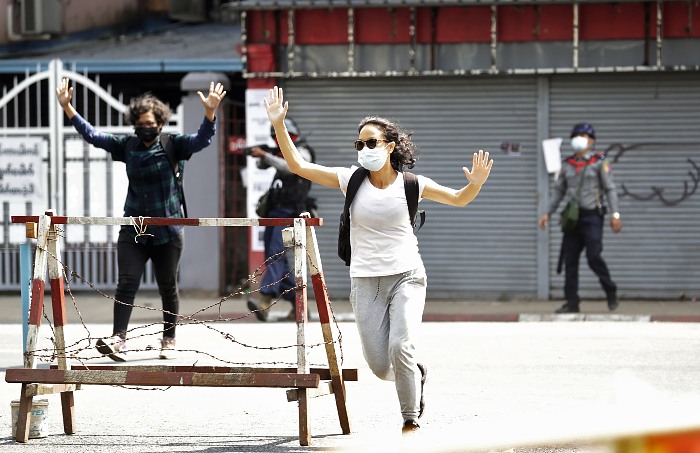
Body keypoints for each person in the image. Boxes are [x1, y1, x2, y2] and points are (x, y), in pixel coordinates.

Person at [262, 86, 493, 434]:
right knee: (382, 367)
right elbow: (298, 165)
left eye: (371, 142)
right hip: (365, 281)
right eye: (359, 144)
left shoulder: (412, 184)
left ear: (389, 145)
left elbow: (460, 198)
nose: (364, 149)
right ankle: (415, 373)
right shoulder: (350, 180)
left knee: (402, 346)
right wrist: (279, 124)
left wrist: (475, 184)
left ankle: (410, 419)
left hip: (407, 276)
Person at [55, 77, 226, 361]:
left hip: (168, 231)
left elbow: (202, 140)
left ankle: (169, 339)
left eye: (150, 122)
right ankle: (118, 340)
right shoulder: (128, 146)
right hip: (134, 229)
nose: (145, 127)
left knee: (167, 287)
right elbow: (94, 136)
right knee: (126, 282)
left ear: (160, 123)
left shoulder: (174, 144)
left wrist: (210, 113)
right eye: (140, 123)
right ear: (134, 124)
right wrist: (68, 108)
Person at [538, 122, 622, 314]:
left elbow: (610, 189)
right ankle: (572, 302)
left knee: (594, 257)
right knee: (570, 261)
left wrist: (615, 214)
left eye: (583, 136)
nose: (579, 139)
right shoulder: (567, 164)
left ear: (591, 141)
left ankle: (610, 290)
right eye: (576, 135)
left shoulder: (599, 162)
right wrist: (547, 213)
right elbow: (559, 192)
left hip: (593, 217)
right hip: (573, 219)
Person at [246, 118, 316, 322]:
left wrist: (266, 155)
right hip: (274, 212)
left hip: (290, 212)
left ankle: (265, 301)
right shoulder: (279, 151)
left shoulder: (302, 151)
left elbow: (291, 167)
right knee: (275, 258)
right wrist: (261, 156)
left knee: (276, 255)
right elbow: (261, 166)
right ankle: (299, 304)